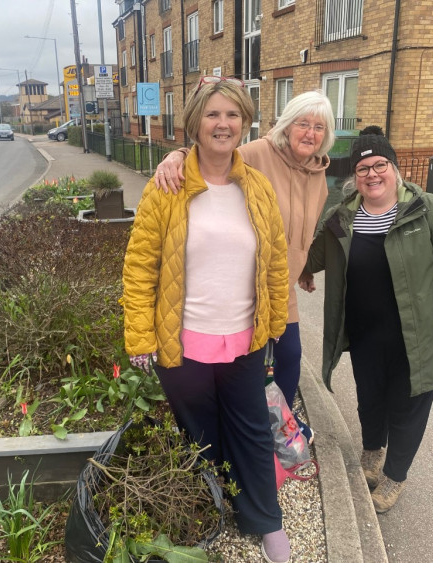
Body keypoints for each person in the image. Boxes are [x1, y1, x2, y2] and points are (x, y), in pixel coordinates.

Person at [122, 76, 292, 563]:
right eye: (213, 115)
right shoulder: (167, 186)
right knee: (198, 432)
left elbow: (275, 262)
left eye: (233, 115)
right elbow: (139, 268)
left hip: (243, 338)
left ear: (245, 122)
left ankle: (264, 518)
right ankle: (210, 507)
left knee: (252, 429)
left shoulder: (256, 187)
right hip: (182, 341)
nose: (223, 124)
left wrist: (275, 325)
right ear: (195, 122)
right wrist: (140, 336)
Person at [304, 129, 433, 513]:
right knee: (370, 400)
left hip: (417, 336)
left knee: (407, 408)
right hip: (366, 333)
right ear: (354, 175)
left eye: (380, 165)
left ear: (395, 169)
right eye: (363, 167)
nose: (372, 174)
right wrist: (302, 270)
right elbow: (315, 253)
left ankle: (396, 476)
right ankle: (372, 451)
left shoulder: (429, 209)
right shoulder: (344, 215)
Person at [154, 90, 335, 443]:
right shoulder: (256, 155)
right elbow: (211, 152)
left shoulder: (319, 175)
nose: (309, 133)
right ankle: (253, 426)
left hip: (281, 280)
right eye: (302, 124)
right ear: (287, 125)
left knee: (290, 355)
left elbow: (305, 230)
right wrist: (174, 156)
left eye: (319, 127)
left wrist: (306, 267)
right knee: (262, 358)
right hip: (245, 281)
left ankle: (281, 424)